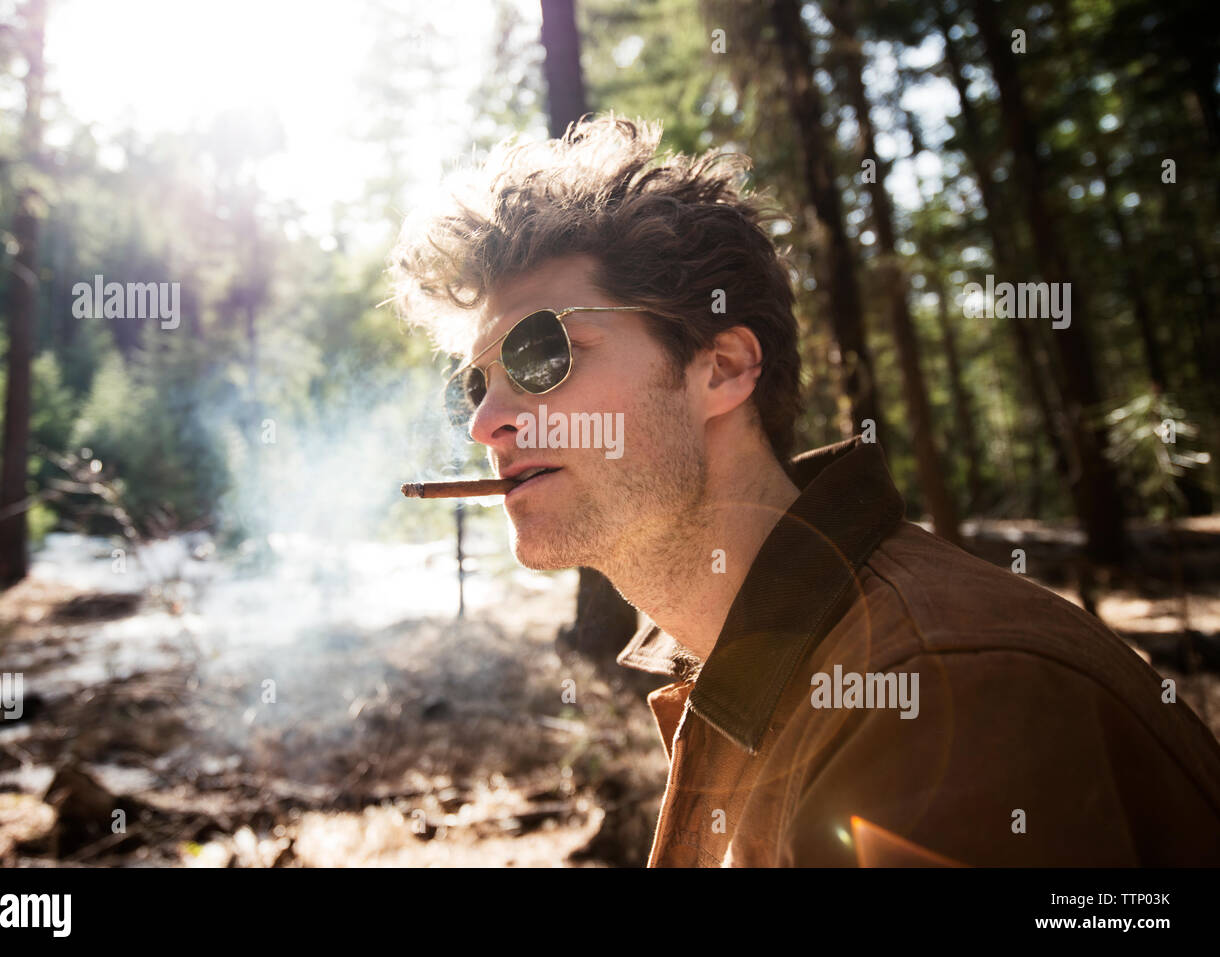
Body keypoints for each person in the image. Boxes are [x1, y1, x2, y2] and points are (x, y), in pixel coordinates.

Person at [388, 115, 1220, 866]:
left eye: (541, 354)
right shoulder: (759, 657)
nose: (487, 421)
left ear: (722, 368)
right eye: (477, 384)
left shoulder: (930, 695)